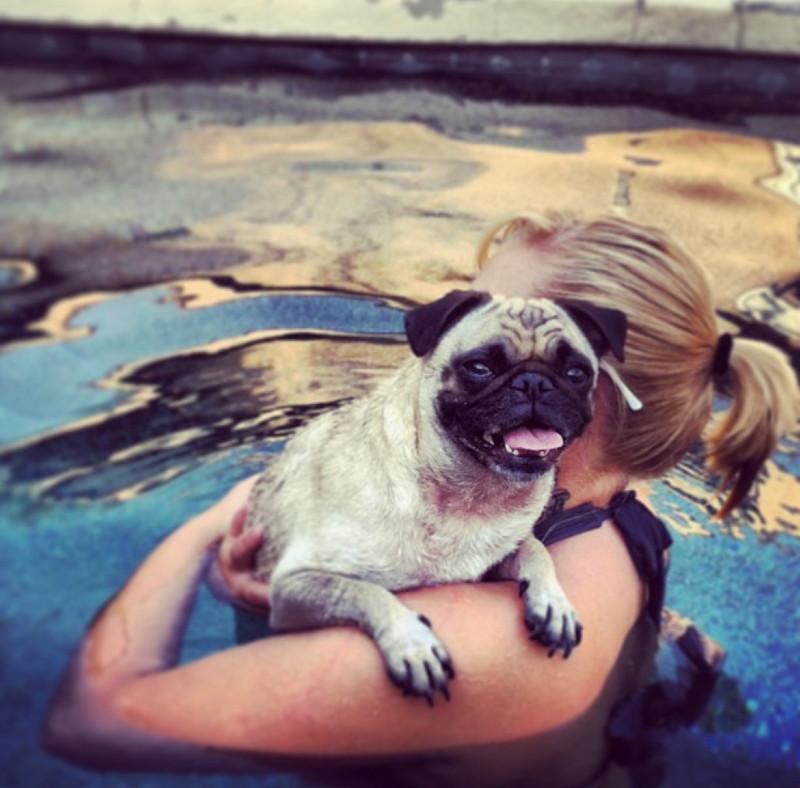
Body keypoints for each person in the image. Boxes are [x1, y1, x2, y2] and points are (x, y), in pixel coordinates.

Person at [42, 213, 798, 787]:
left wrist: (209, 525)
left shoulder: (474, 647)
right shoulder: (618, 522)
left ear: (579, 386)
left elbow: (92, 718)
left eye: (477, 348)